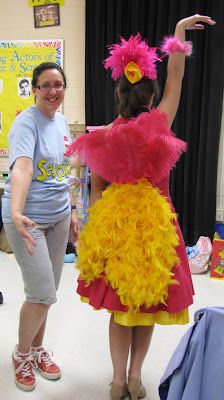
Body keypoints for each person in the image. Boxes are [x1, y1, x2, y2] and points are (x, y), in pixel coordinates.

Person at [66, 14, 215, 400]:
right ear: (150, 95)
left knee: (120, 309)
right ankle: (134, 376)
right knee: (146, 305)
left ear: (118, 94)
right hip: (156, 229)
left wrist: (96, 232)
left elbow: (96, 191)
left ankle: (117, 381)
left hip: (117, 229)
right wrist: (179, 33)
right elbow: (177, 77)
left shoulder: (104, 139)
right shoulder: (160, 123)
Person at [2, 62, 79, 392]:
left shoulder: (61, 121)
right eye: (45, 85)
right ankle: (21, 354)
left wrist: (73, 211)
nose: (53, 91)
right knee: (42, 293)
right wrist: (16, 213)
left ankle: (35, 349)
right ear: (34, 88)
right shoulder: (25, 124)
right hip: (27, 219)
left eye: (58, 84)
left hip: (58, 216)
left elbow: (66, 172)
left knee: (47, 295)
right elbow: (21, 169)